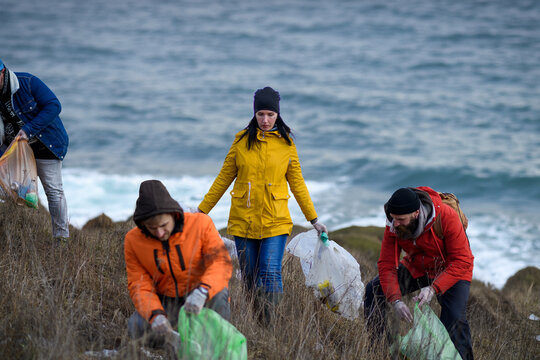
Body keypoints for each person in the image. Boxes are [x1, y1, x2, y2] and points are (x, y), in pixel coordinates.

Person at [197, 86, 327, 323]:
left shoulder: (287, 145)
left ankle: (270, 326)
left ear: (278, 115)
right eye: (261, 115)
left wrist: (314, 219)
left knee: (269, 272)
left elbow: (297, 184)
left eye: (270, 114)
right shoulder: (240, 142)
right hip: (243, 220)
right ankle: (257, 320)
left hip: (275, 220)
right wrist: (201, 211)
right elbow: (223, 179)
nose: (265, 120)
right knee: (249, 276)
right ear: (254, 114)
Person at [364, 186, 474, 359]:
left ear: (416, 213)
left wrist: (433, 288)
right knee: (373, 290)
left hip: (451, 269)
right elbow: (387, 264)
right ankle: (379, 351)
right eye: (393, 219)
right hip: (417, 266)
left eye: (400, 219)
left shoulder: (446, 217)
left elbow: (462, 260)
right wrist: (396, 300)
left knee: (454, 319)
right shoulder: (393, 223)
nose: (395, 224)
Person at [125, 179, 232, 342]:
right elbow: (139, 285)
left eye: (163, 225)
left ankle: (216, 341)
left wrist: (203, 291)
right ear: (142, 224)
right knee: (136, 327)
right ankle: (175, 343)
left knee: (219, 293)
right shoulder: (133, 240)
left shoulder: (200, 224)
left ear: (173, 214)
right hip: (168, 300)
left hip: (202, 294)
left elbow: (220, 263)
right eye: (152, 228)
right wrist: (155, 315)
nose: (160, 233)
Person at [0, 59, 69, 242]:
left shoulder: (27, 82)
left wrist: (28, 130)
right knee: (8, 193)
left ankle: (61, 240)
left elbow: (54, 106)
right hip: (15, 151)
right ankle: (13, 237)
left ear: (2, 72)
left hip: (46, 145)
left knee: (54, 191)